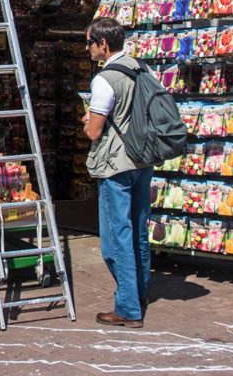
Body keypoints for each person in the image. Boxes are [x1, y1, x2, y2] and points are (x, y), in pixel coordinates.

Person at [82, 17, 152, 329]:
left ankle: (127, 308)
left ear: (103, 45)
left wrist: (86, 120)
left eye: (89, 43)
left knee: (115, 239)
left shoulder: (104, 79)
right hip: (142, 160)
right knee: (138, 231)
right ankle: (139, 294)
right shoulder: (142, 69)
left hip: (115, 164)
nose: (87, 48)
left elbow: (95, 132)